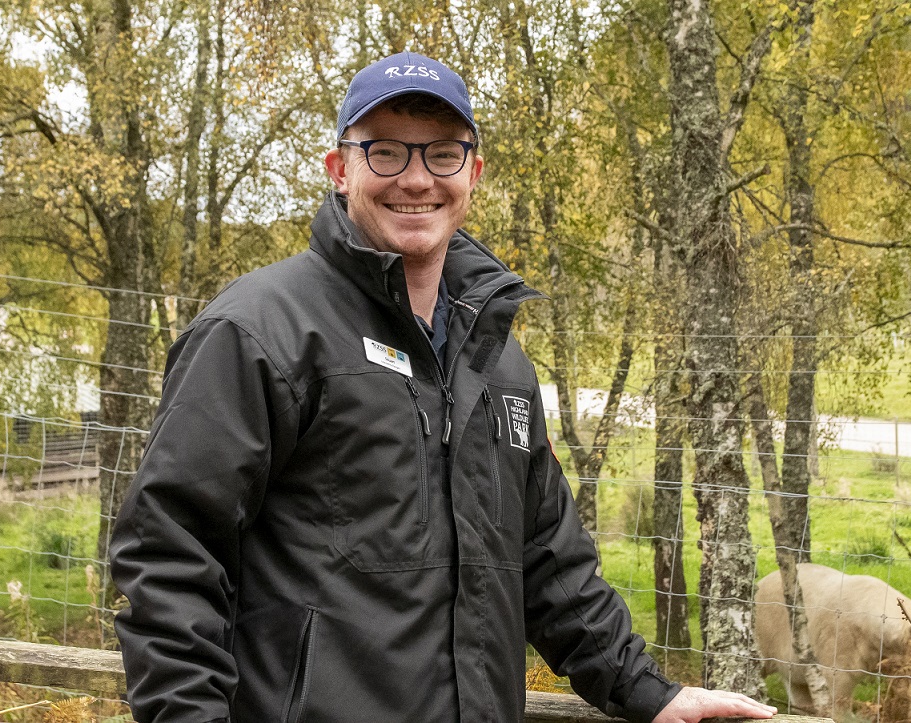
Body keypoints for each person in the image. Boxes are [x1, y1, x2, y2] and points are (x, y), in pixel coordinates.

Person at [110, 52, 777, 723]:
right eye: (387, 151)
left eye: (443, 154)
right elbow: (169, 554)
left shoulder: (498, 360)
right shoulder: (261, 333)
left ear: (473, 174)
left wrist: (650, 692)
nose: (417, 178)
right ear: (341, 170)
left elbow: (548, 559)